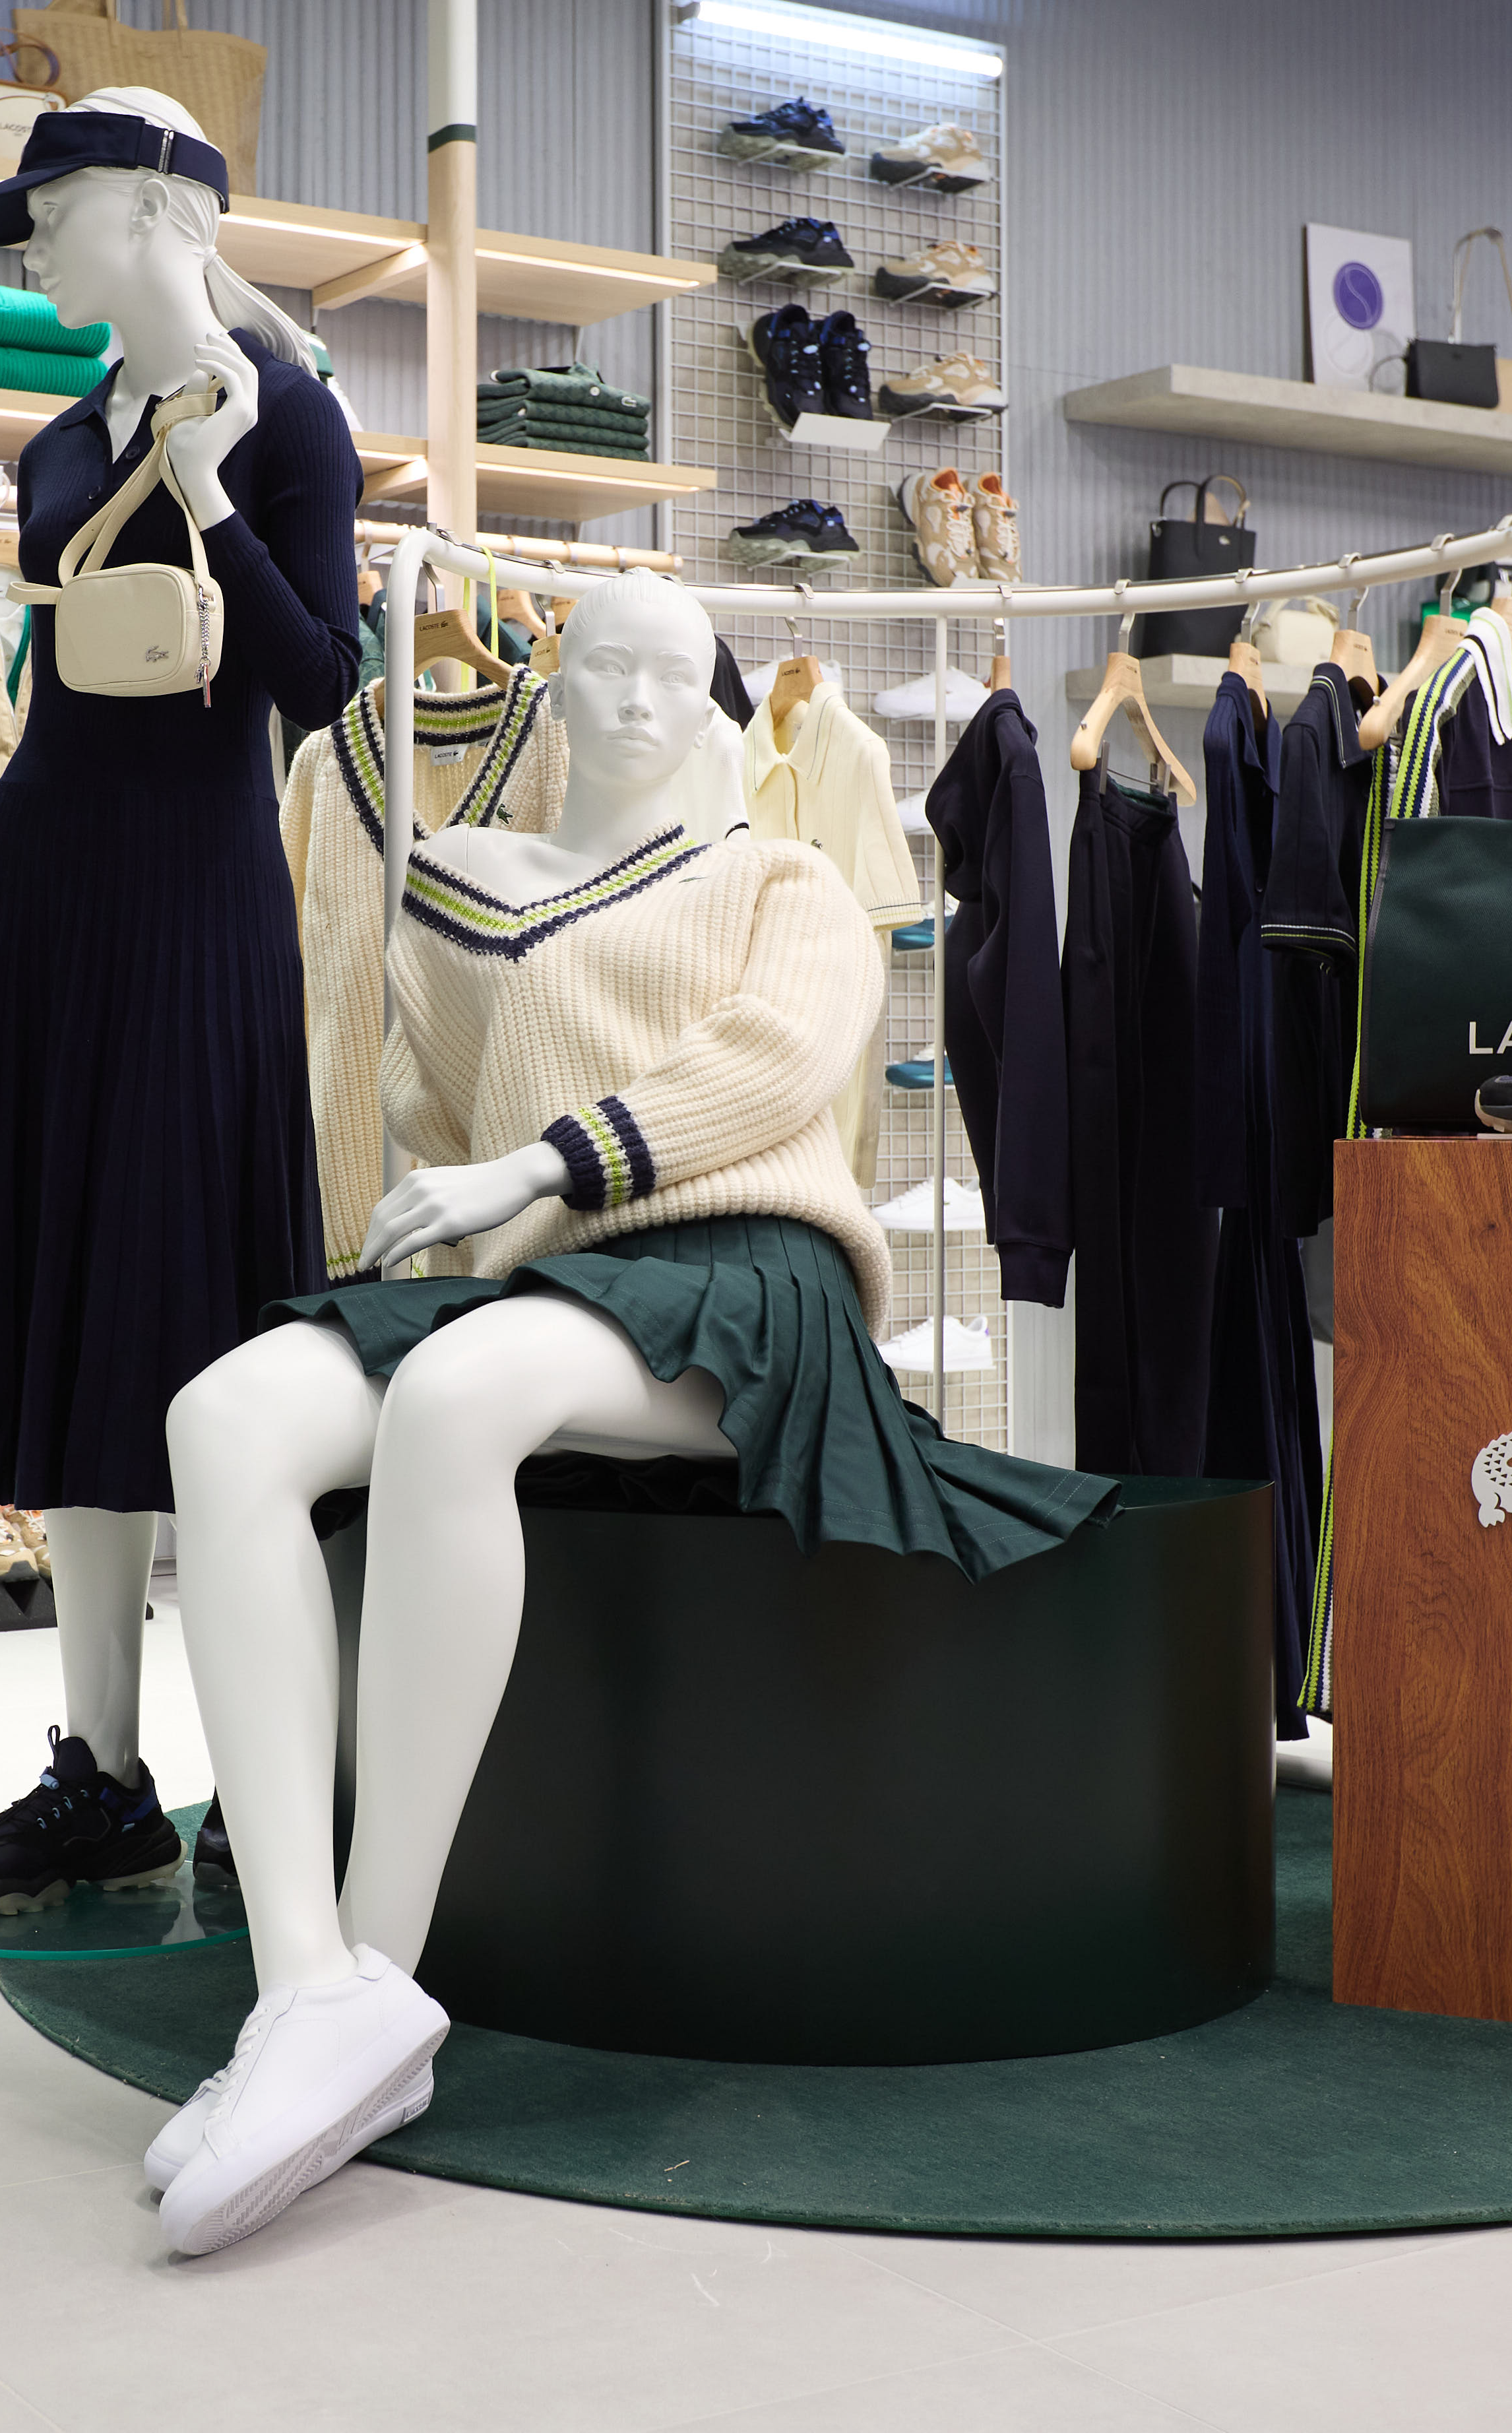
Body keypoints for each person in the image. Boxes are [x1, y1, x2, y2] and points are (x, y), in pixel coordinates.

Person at [144, 571, 1119, 2256]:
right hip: (545, 1274)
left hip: (740, 1268)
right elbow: (428, 1111)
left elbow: (774, 1064)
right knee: (221, 1414)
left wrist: (532, 1164)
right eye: (605, 667)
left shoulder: (780, 878)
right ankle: (303, 1988)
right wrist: (476, 1166)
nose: (638, 701)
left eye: (675, 674)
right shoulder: (454, 880)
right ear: (554, 683)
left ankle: (379, 1964)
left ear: (714, 703)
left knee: (457, 1392)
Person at [0, 93, 360, 1912]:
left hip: (192, 910)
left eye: (55, 211)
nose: (32, 247)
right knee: (78, 1317)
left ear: (163, 211)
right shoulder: (53, 440)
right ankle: (98, 1769)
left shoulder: (290, 415)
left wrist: (216, 482)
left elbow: (320, 683)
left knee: (195, 1333)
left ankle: (268, 1771)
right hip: (47, 902)